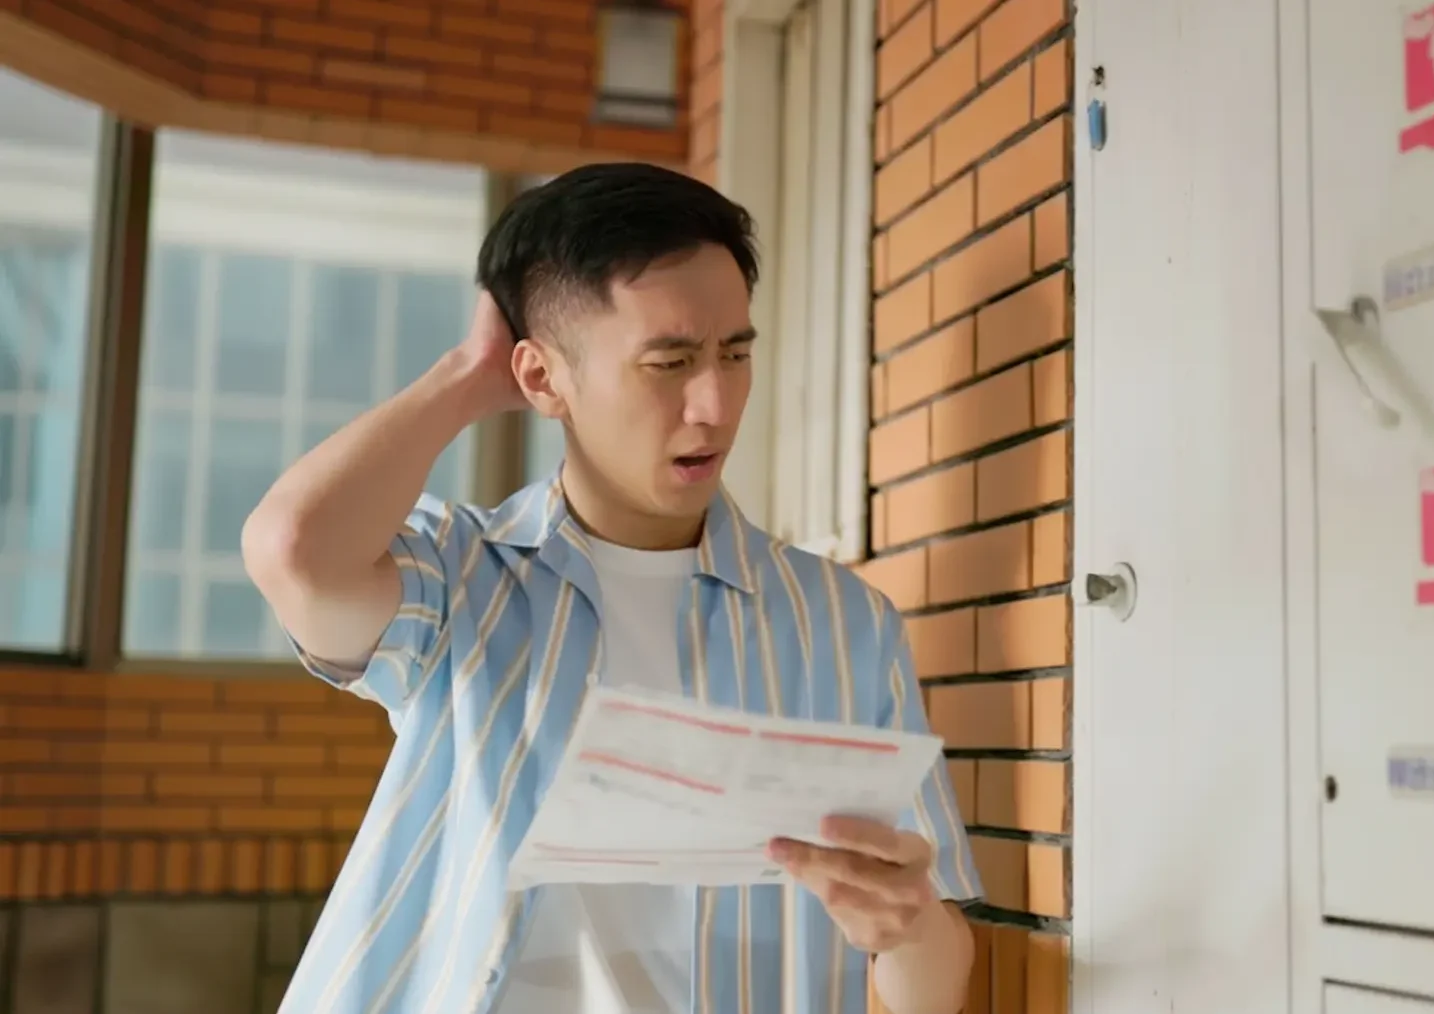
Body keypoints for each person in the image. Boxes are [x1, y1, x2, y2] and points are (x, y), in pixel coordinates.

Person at [242, 163, 981, 1014]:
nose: (714, 403)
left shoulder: (844, 627)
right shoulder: (464, 580)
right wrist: (467, 375)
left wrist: (908, 924)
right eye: (668, 362)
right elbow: (294, 549)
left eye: (736, 353)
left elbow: (935, 982)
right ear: (542, 379)